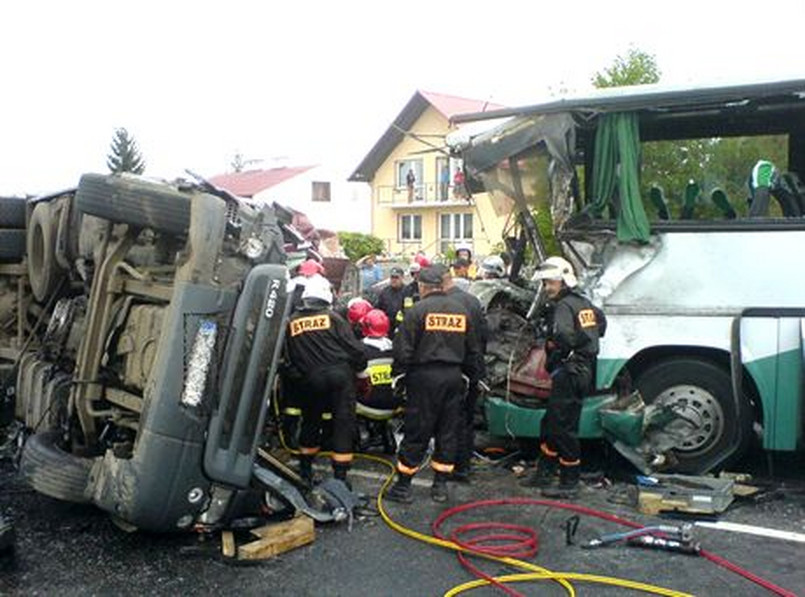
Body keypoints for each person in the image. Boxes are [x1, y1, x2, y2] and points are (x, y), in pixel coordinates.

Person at [385, 266, 481, 504]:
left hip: (424, 377)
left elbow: (403, 349)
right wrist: (473, 378)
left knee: (418, 429)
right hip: (454, 378)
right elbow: (473, 350)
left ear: (424, 286)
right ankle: (440, 486)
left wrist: (399, 377)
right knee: (448, 431)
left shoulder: (417, 310)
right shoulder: (461, 311)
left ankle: (403, 487)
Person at [520, 256, 604, 498]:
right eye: (546, 283)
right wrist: (586, 340)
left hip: (571, 371)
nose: (547, 288)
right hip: (584, 370)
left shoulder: (564, 306)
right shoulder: (584, 303)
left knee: (562, 428)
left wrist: (559, 347)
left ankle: (569, 481)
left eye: (550, 283)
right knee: (551, 423)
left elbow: (564, 335)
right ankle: (544, 472)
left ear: (563, 282)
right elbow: (602, 324)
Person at [285, 275, 368, 487]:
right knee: (342, 422)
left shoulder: (292, 322)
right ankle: (340, 477)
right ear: (325, 296)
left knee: (311, 421)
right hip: (340, 377)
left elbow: (289, 357)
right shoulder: (333, 318)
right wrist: (361, 374)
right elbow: (356, 349)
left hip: (310, 379)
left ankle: (305, 470)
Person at [441, 266, 488, 482]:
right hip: (471, 368)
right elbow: (483, 336)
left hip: (450, 369)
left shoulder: (442, 305)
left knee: (447, 421)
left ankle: (447, 466)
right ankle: (463, 466)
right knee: (466, 420)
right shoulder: (473, 301)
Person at [375, 266, 406, 337]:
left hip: (402, 328)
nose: (394, 280)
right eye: (392, 277)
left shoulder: (408, 291)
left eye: (396, 277)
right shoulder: (384, 292)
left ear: (402, 278)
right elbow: (378, 309)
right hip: (386, 328)